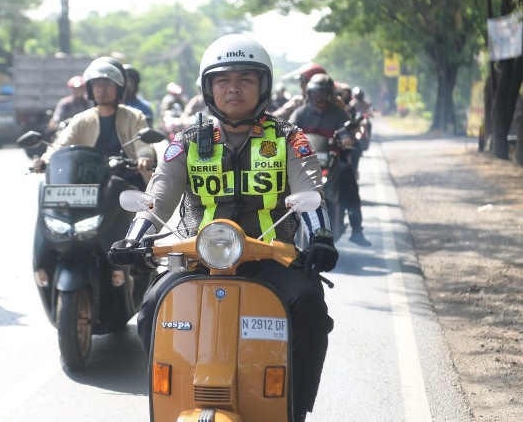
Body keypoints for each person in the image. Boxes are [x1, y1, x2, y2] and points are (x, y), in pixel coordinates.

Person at [110, 34, 337, 422]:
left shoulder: (288, 138)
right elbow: (158, 194)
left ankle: (294, 408)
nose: (234, 87)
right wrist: (134, 239)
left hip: (269, 258)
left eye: (246, 79)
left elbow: (309, 190)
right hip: (197, 259)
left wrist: (320, 237)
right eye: (223, 80)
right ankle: (171, 394)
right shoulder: (185, 142)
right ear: (209, 88)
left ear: (262, 86)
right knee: (150, 309)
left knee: (309, 304)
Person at [32, 57, 154, 189]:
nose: (102, 90)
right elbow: (61, 144)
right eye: (97, 84)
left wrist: (144, 157)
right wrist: (45, 159)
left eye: (108, 84)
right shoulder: (81, 119)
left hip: (127, 181)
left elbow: (143, 144)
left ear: (118, 88)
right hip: (89, 182)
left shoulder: (134, 117)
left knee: (149, 206)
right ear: (90, 89)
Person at [289, 73, 371, 247]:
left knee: (347, 174)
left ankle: (357, 230)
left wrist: (347, 139)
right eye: (314, 93)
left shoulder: (339, 114)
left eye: (322, 93)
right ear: (309, 93)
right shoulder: (300, 113)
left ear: (329, 94)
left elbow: (346, 133)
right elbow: (287, 133)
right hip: (303, 162)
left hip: (333, 161)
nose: (318, 97)